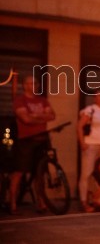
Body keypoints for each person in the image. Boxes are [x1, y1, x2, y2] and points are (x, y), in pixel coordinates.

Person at [9, 75, 56, 215]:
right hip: (25, 140)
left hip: (41, 139)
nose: (33, 85)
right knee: (19, 171)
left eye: (35, 83)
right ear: (24, 85)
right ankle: (12, 201)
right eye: (30, 83)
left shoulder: (43, 100)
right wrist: (41, 116)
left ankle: (40, 202)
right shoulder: (20, 100)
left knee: (39, 173)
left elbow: (52, 116)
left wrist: (34, 116)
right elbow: (25, 119)